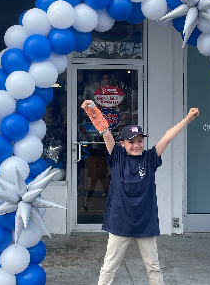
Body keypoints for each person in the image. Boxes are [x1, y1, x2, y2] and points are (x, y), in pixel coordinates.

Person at [82, 100, 199, 285]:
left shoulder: (150, 158)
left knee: (153, 267)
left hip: (145, 223)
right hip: (120, 223)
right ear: (122, 143)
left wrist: (187, 119)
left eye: (140, 141)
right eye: (131, 142)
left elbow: (167, 138)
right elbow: (105, 133)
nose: (136, 145)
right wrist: (93, 110)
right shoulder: (117, 156)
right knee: (109, 267)